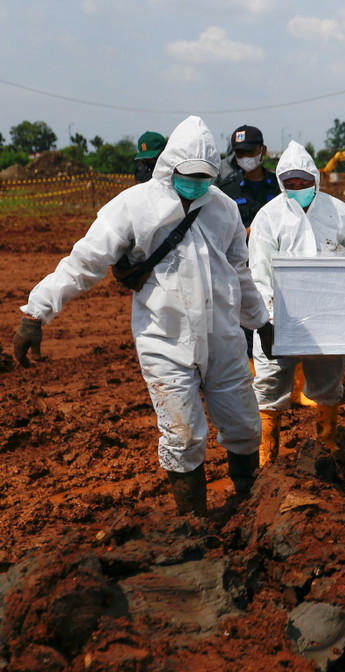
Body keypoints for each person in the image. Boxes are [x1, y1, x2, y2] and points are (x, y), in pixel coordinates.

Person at [12, 116, 271, 517]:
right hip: (164, 340)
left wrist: (260, 322)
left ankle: (252, 510)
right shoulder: (134, 206)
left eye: (206, 176)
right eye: (189, 175)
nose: (197, 183)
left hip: (224, 338)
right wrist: (36, 312)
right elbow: (84, 263)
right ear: (170, 167)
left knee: (244, 427)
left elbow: (240, 273)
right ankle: (194, 526)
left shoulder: (222, 209)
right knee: (183, 436)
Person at [249, 141, 345, 463]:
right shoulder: (269, 218)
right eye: (291, 184)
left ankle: (328, 447)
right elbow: (258, 273)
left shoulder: (337, 210)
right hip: (281, 318)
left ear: (315, 179)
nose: (298, 189)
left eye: (303, 183)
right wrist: (267, 320)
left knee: (328, 383)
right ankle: (266, 460)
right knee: (269, 385)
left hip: (329, 317)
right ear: (281, 183)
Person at [218, 125, 281, 235]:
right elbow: (221, 230)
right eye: (240, 153)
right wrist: (248, 232)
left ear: (263, 150)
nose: (245, 157)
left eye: (250, 151)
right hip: (241, 251)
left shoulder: (279, 187)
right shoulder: (227, 190)